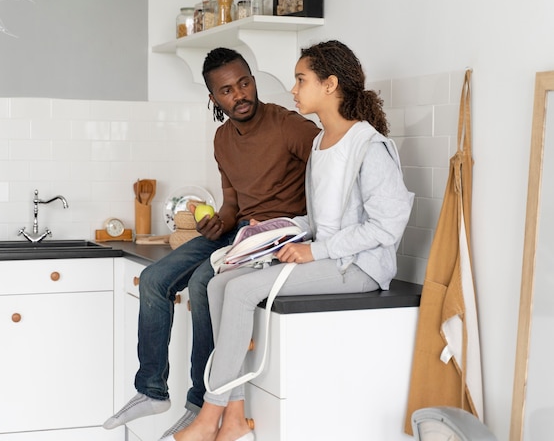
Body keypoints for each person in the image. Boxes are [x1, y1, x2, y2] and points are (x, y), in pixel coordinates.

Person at [165, 40, 414, 441]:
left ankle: (210, 415)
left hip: (360, 268)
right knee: (218, 283)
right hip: (329, 260)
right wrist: (267, 233)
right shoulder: (321, 143)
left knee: (243, 291)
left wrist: (313, 250)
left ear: (330, 84)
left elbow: (388, 227)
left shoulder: (369, 146)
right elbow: (320, 220)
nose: (293, 89)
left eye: (301, 80)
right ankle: (234, 416)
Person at [102, 47, 320, 438]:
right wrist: (217, 222)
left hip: (274, 237)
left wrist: (311, 229)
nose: (239, 95)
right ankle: (151, 389)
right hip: (237, 231)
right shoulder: (222, 139)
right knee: (154, 278)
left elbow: (329, 167)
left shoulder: (289, 126)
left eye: (244, 83)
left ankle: (202, 400)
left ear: (253, 80)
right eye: (226, 90)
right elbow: (234, 203)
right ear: (213, 98)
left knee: (204, 283)